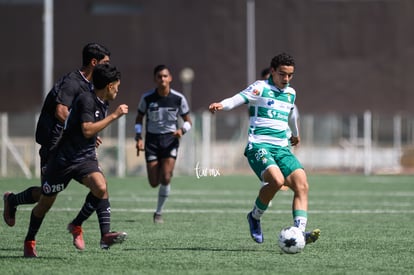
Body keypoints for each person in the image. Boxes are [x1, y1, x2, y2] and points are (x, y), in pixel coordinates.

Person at [208, 53, 320, 245]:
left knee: (302, 184)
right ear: (273, 71)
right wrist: (222, 105)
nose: (286, 79)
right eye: (282, 74)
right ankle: (255, 217)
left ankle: (299, 232)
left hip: (282, 147)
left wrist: (295, 134)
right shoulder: (260, 87)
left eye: (290, 75)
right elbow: (238, 98)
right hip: (259, 145)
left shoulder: (291, 93)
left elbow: (291, 114)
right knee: (276, 181)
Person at [23, 63, 128, 257]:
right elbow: (87, 128)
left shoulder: (101, 100)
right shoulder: (87, 100)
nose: (118, 90)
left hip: (84, 157)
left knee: (101, 187)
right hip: (63, 160)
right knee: (45, 204)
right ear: (110, 86)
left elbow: (84, 129)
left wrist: (91, 136)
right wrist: (115, 116)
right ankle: (29, 240)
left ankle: (85, 227)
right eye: (117, 86)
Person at [3, 43, 110, 228]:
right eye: (105, 62)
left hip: (74, 149)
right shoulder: (72, 82)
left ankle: (103, 234)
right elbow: (61, 112)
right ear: (94, 62)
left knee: (100, 186)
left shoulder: (91, 86)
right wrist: (83, 130)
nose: (108, 66)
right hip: (54, 144)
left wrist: (89, 133)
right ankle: (13, 200)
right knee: (47, 195)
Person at [135, 64, 192, 224]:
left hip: (170, 140)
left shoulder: (178, 98)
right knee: (154, 182)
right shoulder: (147, 98)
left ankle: (158, 213)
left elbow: (188, 121)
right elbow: (139, 118)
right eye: (159, 76)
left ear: (170, 78)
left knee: (166, 177)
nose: (162, 79)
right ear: (155, 79)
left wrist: (182, 131)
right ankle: (161, 171)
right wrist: (138, 137)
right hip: (152, 141)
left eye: (165, 76)